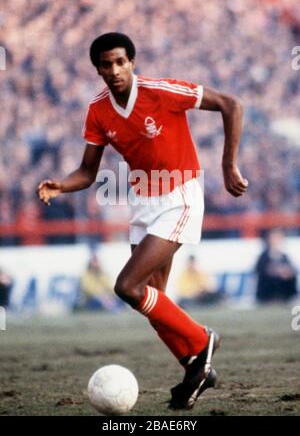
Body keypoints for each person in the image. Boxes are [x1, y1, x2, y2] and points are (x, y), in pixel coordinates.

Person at [37, 32, 248, 410]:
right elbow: (87, 172)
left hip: (179, 196)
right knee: (153, 302)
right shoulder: (98, 110)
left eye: (121, 62)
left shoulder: (161, 91)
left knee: (127, 287)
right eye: (106, 64)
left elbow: (231, 104)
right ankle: (196, 367)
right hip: (143, 201)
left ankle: (203, 341)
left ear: (132, 62)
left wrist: (228, 164)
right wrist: (61, 185)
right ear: (97, 69)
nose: (115, 70)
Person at [255, 229, 297, 304]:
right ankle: (271, 298)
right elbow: (260, 269)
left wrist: (287, 272)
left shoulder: (284, 256)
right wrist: (277, 271)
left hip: (283, 287)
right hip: (267, 290)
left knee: (290, 276)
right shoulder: (264, 255)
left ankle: (286, 297)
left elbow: (292, 269)